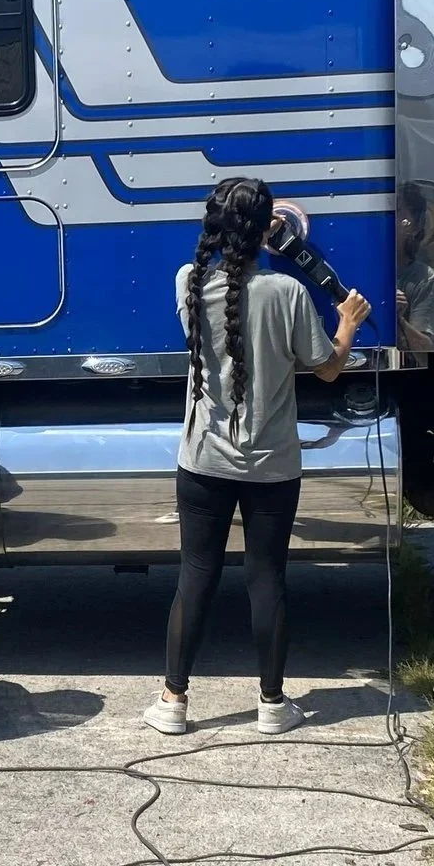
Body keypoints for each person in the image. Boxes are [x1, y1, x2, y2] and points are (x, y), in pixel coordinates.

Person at [149, 176, 370, 736]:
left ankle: (174, 703)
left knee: (196, 574)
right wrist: (346, 323)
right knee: (266, 576)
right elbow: (327, 368)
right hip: (272, 464)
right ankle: (273, 705)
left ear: (214, 225)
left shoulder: (188, 281)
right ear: (267, 227)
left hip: (202, 458)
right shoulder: (288, 293)